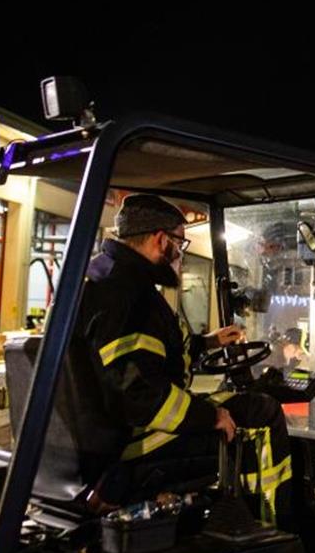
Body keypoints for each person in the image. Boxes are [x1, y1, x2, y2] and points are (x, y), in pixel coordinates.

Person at [77, 194, 294, 529]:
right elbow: (140, 395)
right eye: (180, 242)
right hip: (134, 441)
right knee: (262, 414)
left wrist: (206, 343)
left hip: (105, 431)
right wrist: (210, 416)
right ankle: (274, 530)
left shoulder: (103, 278)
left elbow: (146, 360)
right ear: (161, 239)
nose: (180, 252)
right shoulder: (131, 296)